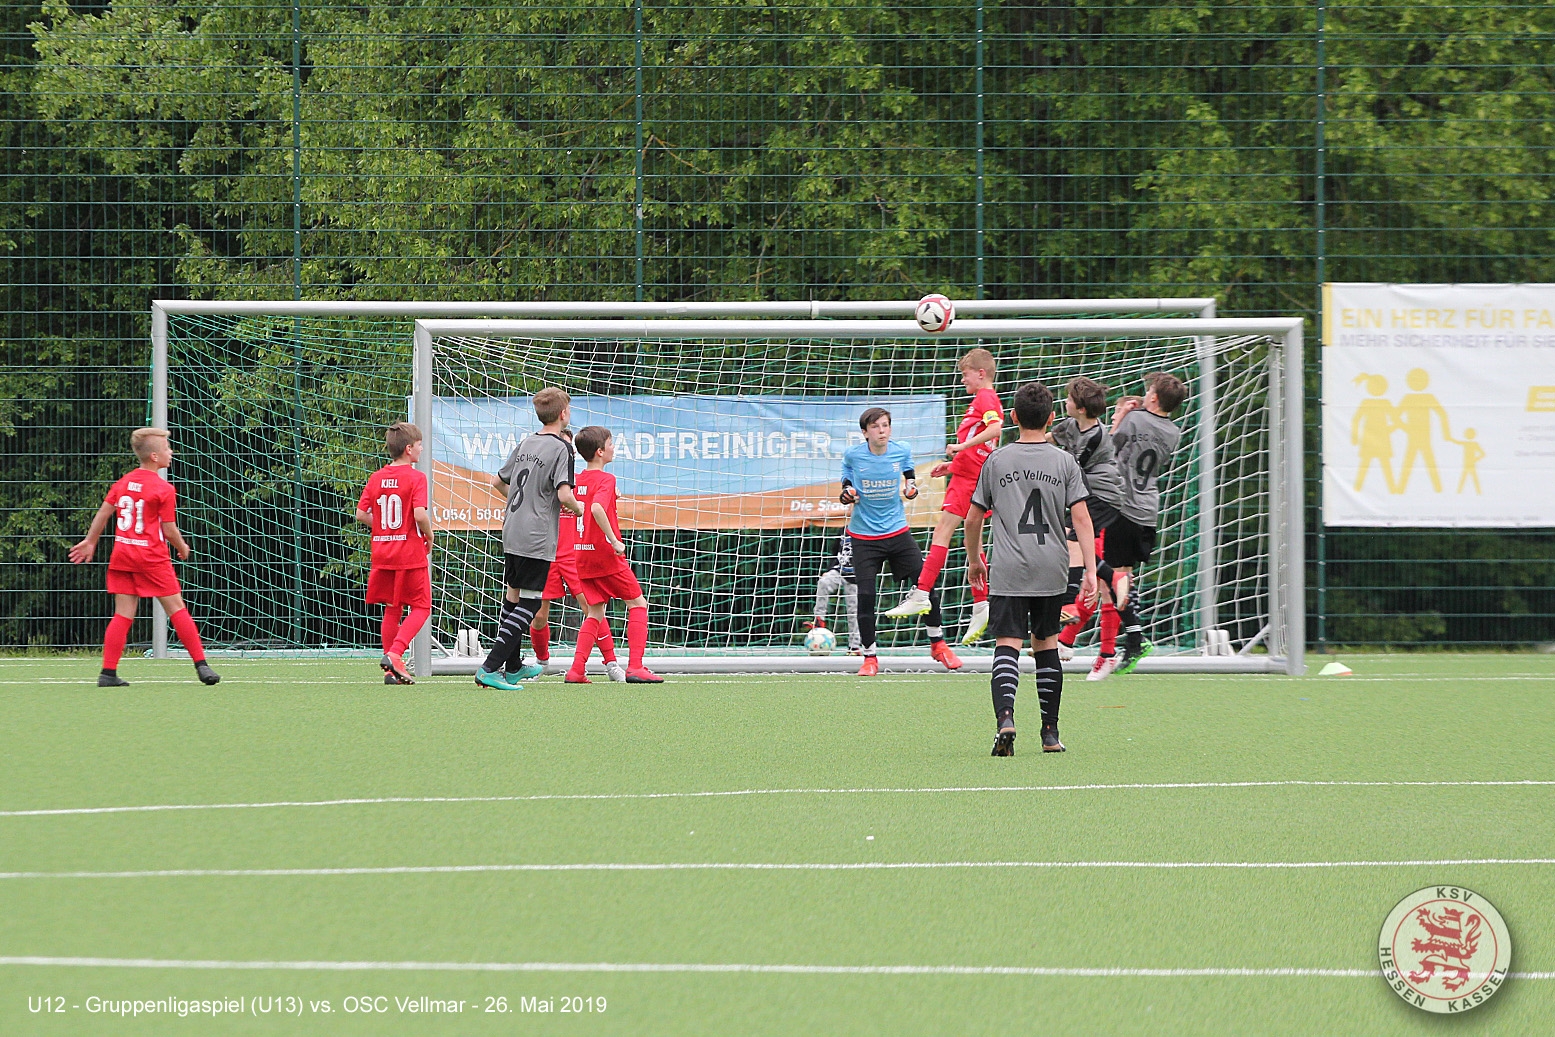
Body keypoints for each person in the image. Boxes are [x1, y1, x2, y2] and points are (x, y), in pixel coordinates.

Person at [966, 381, 1096, 755]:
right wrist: (1089, 570)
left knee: (1008, 643)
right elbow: (1082, 518)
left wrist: (975, 559)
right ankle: (1050, 733)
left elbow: (972, 518)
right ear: (1051, 418)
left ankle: (1006, 719)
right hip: (1051, 567)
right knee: (1046, 643)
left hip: (1009, 567)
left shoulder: (997, 461)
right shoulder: (1064, 461)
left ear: (1013, 417)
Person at [68, 427, 221, 687]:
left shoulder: (124, 482)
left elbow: (104, 512)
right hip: (151, 558)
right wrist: (182, 546)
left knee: (123, 614)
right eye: (167, 448)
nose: (171, 452)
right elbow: (168, 529)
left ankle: (108, 673)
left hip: (123, 555)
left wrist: (90, 541)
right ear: (154, 456)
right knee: (176, 608)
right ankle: (202, 666)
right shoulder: (163, 489)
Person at [883, 348, 1003, 644]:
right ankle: (981, 605)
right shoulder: (984, 399)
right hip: (970, 475)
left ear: (981, 373)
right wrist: (954, 464)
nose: (962, 380)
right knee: (972, 541)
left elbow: (996, 428)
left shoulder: (986, 398)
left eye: (965, 374)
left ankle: (922, 592)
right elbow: (983, 445)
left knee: (943, 532)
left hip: (969, 480)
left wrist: (960, 449)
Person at [839, 407, 963, 676]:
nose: (881, 431)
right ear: (865, 433)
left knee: (925, 585)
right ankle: (869, 658)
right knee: (866, 595)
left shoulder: (901, 450)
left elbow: (909, 474)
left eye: (885, 425)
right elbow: (846, 476)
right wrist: (847, 491)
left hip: (897, 532)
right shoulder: (853, 455)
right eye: (875, 427)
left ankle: (938, 644)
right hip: (864, 537)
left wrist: (911, 487)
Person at [474, 387, 583, 690]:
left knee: (513, 597)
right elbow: (564, 494)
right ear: (563, 414)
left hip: (512, 527)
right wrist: (579, 509)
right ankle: (489, 667)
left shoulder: (526, 442)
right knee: (531, 603)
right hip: (536, 533)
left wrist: (523, 503)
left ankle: (513, 667)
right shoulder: (562, 448)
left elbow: (498, 481)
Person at [526, 429, 626, 682]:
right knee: (539, 616)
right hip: (547, 554)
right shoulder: (543, 479)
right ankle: (541, 662)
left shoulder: (579, 479)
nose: (565, 452)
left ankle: (611, 663)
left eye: (569, 448)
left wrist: (612, 495)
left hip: (575, 555)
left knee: (592, 608)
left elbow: (597, 499)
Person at [1105, 371, 1187, 676]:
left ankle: (1134, 637)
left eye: (1149, 389)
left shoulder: (1135, 420)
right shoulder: (1173, 432)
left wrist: (1121, 415)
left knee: (1109, 576)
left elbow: (1108, 448)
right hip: (1148, 509)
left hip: (1123, 505)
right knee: (1122, 575)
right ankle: (1131, 639)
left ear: (1152, 397)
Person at [567, 425, 662, 683]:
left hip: (581, 554)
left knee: (595, 612)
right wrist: (615, 541)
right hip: (604, 555)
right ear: (600, 451)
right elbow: (596, 508)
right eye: (610, 443)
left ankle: (576, 670)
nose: (613, 448)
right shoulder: (606, 479)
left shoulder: (576, 479)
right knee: (638, 604)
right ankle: (635, 667)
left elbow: (582, 503)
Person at [1050, 376, 1128, 676]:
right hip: (1088, 493)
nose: (1065, 402)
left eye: (1069, 399)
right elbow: (1050, 439)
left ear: (1081, 408)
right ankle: (1112, 576)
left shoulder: (1095, 436)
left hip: (1103, 495)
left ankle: (1069, 604)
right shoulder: (1071, 425)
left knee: (1072, 541)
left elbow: (1072, 470)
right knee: (1068, 542)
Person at [354, 422, 434, 684]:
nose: (422, 449)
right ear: (409, 449)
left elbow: (361, 513)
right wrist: (429, 535)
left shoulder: (376, 477)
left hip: (383, 552)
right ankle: (396, 654)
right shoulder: (416, 477)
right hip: (409, 552)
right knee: (421, 606)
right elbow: (419, 514)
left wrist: (383, 528)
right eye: (420, 445)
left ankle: (392, 673)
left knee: (392, 608)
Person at [808, 531, 861, 654]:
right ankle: (819, 619)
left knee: (854, 612)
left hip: (857, 577)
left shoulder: (865, 530)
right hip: (839, 571)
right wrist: (829, 569)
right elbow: (835, 552)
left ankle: (854, 646)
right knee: (823, 582)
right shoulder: (843, 530)